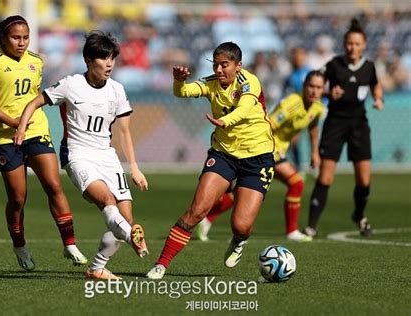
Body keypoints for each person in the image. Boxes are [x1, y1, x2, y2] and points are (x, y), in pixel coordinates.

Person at [14, 31, 149, 280]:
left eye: (112, 58)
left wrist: (134, 167)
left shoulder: (117, 90)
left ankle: (97, 267)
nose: (109, 64)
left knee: (125, 218)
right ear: (88, 60)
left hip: (107, 157)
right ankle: (132, 237)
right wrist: (22, 127)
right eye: (103, 58)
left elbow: (125, 132)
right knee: (107, 201)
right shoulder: (71, 84)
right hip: (78, 155)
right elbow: (34, 103)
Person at [146, 42, 275, 279]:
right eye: (215, 64)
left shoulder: (250, 82)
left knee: (241, 225)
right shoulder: (210, 83)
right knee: (198, 209)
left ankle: (238, 240)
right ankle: (161, 264)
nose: (218, 69)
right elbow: (182, 93)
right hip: (224, 153)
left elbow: (245, 108)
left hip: (258, 156)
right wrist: (178, 81)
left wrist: (226, 121)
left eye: (224, 65)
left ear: (238, 66)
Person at [0, 15, 87, 271]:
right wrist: (12, 122)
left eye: (25, 37)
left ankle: (69, 243)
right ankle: (19, 245)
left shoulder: (36, 60)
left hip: (36, 130)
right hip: (6, 136)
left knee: (54, 185)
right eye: (16, 37)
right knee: (17, 199)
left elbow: (34, 95)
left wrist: (25, 122)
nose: (22, 42)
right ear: (4, 37)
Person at [197, 70, 326, 242]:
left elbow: (313, 127)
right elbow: (268, 123)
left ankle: (207, 219)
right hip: (267, 148)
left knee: (245, 192)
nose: (314, 91)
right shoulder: (293, 103)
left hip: (278, 150)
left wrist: (315, 153)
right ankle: (292, 231)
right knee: (296, 183)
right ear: (304, 87)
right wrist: (273, 148)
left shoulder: (318, 107)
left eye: (319, 87)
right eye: (311, 86)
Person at [304, 18, 384, 238]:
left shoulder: (369, 67)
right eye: (349, 43)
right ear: (344, 43)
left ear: (364, 45)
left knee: (364, 180)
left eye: (357, 44)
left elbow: (376, 84)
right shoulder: (333, 65)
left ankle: (359, 215)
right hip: (335, 124)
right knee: (326, 177)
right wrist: (329, 94)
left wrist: (378, 99)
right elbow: (313, 83)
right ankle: (311, 226)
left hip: (359, 125)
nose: (353, 47)